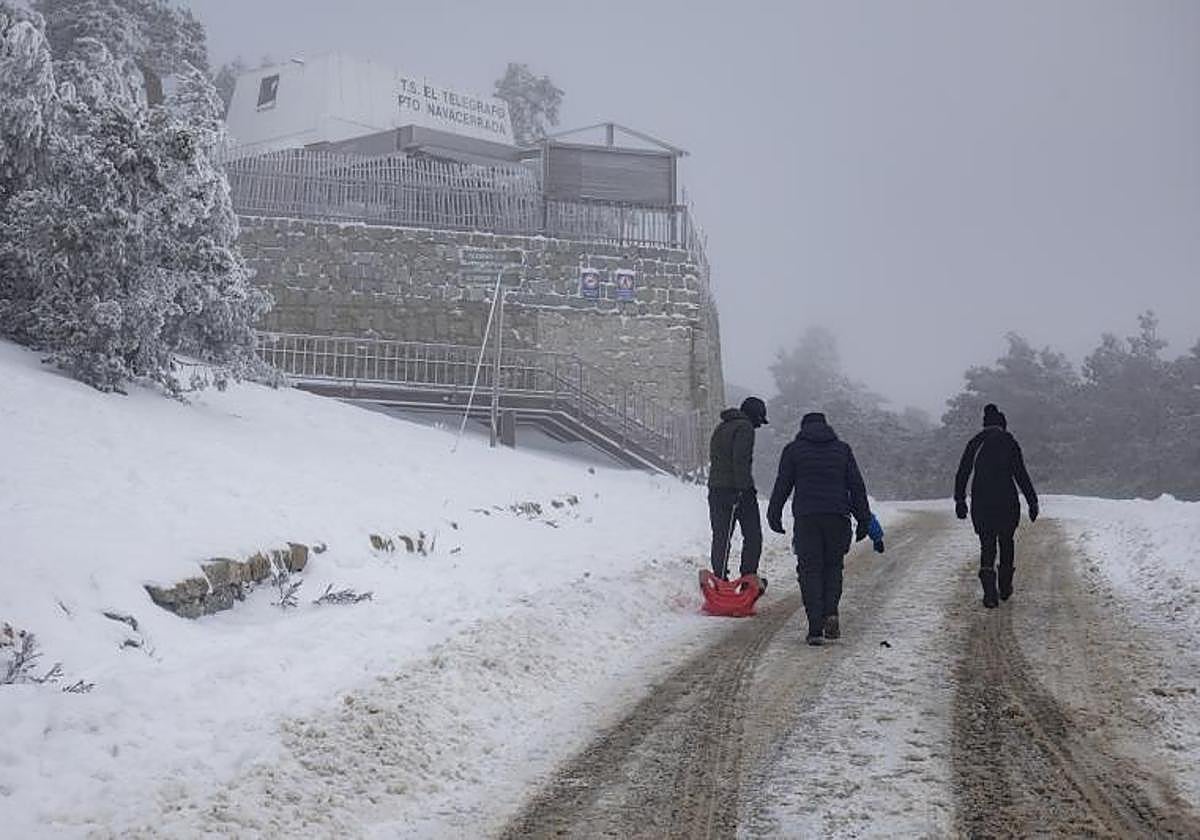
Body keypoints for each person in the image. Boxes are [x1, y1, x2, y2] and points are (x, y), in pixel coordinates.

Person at [767, 412, 874, 646]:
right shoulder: (842, 450)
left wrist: (773, 513)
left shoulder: (793, 450)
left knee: (810, 569)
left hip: (807, 518)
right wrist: (863, 519)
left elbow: (782, 484)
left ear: (803, 428)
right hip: (837, 517)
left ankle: (815, 625)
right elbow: (856, 486)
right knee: (833, 567)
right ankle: (831, 613)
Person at [954, 403, 1039, 608]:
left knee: (987, 544)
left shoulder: (975, 442)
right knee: (1006, 541)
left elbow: (963, 472)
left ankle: (990, 592)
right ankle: (1005, 585)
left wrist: (960, 500)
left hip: (982, 503)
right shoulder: (1009, 441)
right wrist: (1032, 500)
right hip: (1007, 502)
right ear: (1002, 425)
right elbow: (1020, 473)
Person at [707, 397, 768, 581]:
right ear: (755, 415)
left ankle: (719, 578)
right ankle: (748, 577)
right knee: (753, 535)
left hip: (716, 489)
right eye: (760, 420)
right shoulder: (745, 427)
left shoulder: (722, 427)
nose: (759, 425)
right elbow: (741, 460)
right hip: (737, 490)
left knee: (721, 537)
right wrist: (744, 489)